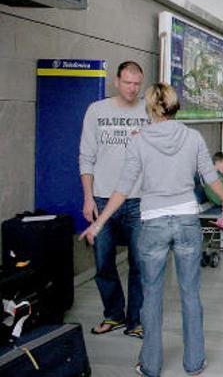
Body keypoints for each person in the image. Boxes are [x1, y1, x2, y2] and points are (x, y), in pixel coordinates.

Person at [80, 83, 223, 377]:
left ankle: (150, 365)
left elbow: (123, 187)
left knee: (151, 294)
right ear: (176, 107)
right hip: (187, 219)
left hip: (153, 222)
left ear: (150, 108)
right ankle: (194, 362)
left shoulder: (139, 141)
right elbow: (210, 176)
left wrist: (99, 222)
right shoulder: (193, 137)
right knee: (190, 293)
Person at [79, 61, 149, 339]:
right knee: (103, 262)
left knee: (139, 263)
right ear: (117, 82)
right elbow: (86, 156)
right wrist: (87, 198)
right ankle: (114, 315)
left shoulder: (149, 111)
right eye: (127, 82)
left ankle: (136, 320)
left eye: (137, 84)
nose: (132, 89)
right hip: (102, 198)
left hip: (138, 200)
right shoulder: (97, 111)